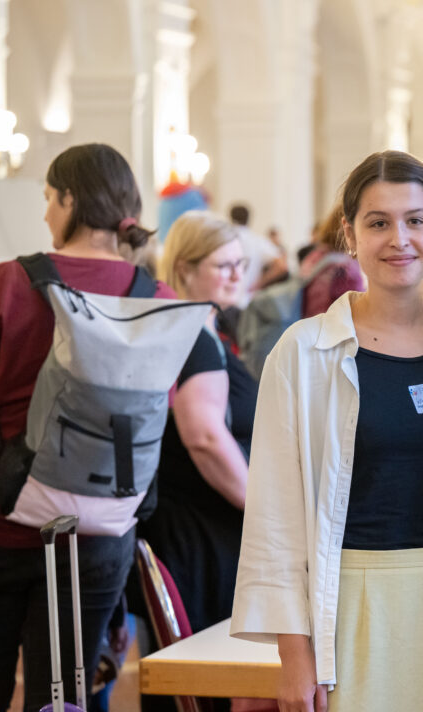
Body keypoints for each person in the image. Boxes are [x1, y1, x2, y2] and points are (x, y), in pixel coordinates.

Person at [230, 150, 423, 712]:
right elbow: (273, 514)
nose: (399, 239)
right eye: (378, 222)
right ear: (351, 233)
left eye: (416, 220)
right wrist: (295, 655)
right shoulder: (304, 352)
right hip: (349, 601)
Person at [0, 143, 177, 710]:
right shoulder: (156, 298)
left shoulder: (4, 285)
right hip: (102, 528)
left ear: (68, 198)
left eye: (47, 198)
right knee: (65, 692)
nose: (43, 214)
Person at [142, 211, 257, 636]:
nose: (237, 276)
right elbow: (204, 436)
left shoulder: (206, 327)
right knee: (201, 686)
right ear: (185, 269)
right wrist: (263, 507)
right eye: (224, 266)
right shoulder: (191, 331)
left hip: (208, 530)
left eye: (241, 264)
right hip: (197, 537)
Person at [299, 205, 366, 318]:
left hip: (312, 325)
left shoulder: (316, 256)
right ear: (348, 229)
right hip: (334, 330)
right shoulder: (344, 267)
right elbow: (355, 310)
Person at [229, 203, 288, 306]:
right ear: (248, 219)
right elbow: (282, 265)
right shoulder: (257, 241)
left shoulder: (223, 239)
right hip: (247, 299)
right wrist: (259, 283)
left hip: (225, 299)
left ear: (230, 217)